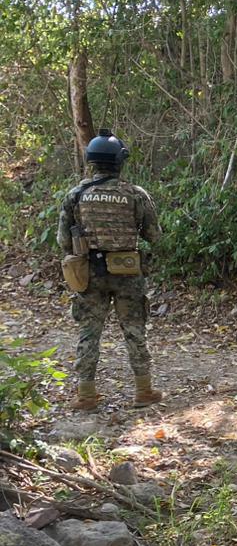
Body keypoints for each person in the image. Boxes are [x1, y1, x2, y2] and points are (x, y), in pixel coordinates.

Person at [57, 129, 163, 410]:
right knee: (134, 330)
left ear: (92, 161)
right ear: (119, 161)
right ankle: (143, 391)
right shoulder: (135, 194)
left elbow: (63, 240)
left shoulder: (76, 195)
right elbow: (154, 236)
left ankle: (86, 396)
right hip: (128, 272)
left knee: (89, 332)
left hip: (90, 273)